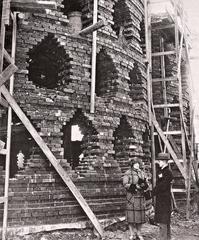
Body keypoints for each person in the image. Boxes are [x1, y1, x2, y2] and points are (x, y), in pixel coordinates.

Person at [123, 158, 149, 240]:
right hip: (131, 197)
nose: (137, 165)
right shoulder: (128, 173)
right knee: (131, 217)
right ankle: (131, 234)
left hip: (140, 196)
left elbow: (147, 183)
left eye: (138, 163)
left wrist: (144, 185)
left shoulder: (142, 173)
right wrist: (134, 186)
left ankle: (139, 233)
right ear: (132, 165)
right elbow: (125, 184)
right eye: (135, 164)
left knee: (139, 217)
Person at [152, 152, 174, 240]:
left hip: (164, 199)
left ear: (165, 161)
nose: (159, 162)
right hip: (161, 198)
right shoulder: (161, 171)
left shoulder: (168, 172)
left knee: (163, 220)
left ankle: (163, 238)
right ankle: (167, 238)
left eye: (160, 161)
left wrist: (152, 192)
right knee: (164, 220)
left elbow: (163, 186)